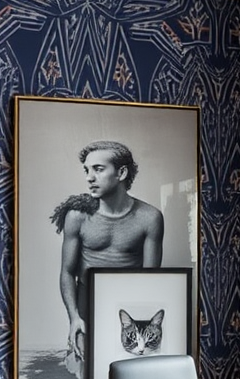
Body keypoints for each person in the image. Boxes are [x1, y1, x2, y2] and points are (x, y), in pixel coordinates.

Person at [54, 140, 164, 365]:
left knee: (128, 368)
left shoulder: (149, 217)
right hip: (87, 300)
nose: (89, 177)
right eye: (87, 170)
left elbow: (152, 277)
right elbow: (67, 272)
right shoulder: (76, 216)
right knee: (86, 371)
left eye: (98, 169)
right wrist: (74, 318)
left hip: (131, 303)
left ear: (121, 172)